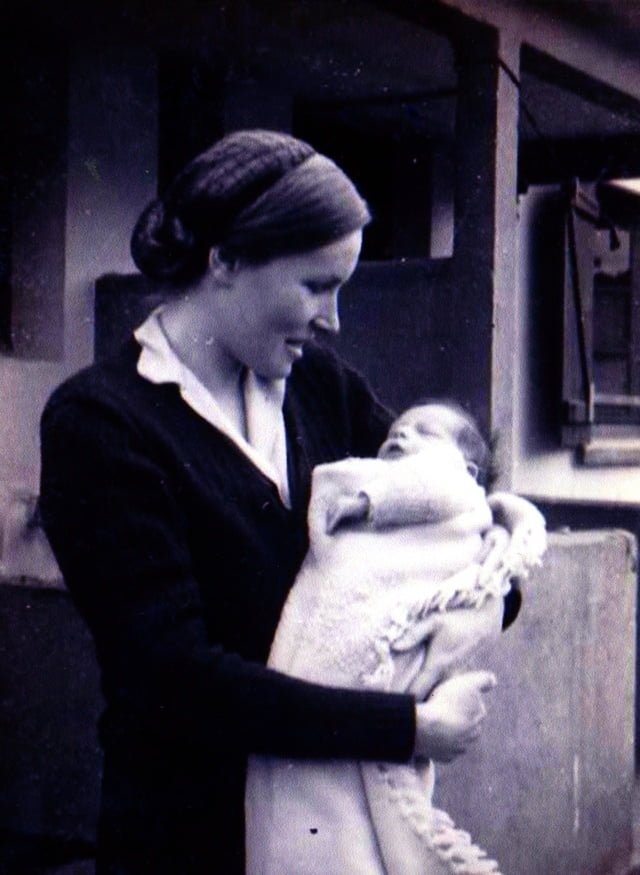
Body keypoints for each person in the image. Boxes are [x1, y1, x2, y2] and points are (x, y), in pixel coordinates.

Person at [39, 130, 523, 875]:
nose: (334, 318)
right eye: (316, 285)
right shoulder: (101, 423)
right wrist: (404, 726)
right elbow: (175, 678)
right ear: (224, 261)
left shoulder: (319, 387)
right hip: (191, 841)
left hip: (332, 832)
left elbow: (447, 507)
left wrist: (501, 542)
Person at [246, 401, 546, 875]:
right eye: (399, 430)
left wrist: (368, 502)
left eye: (423, 432)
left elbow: (433, 489)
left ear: (468, 471)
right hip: (317, 696)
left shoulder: (450, 490)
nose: (400, 435)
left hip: (357, 684)